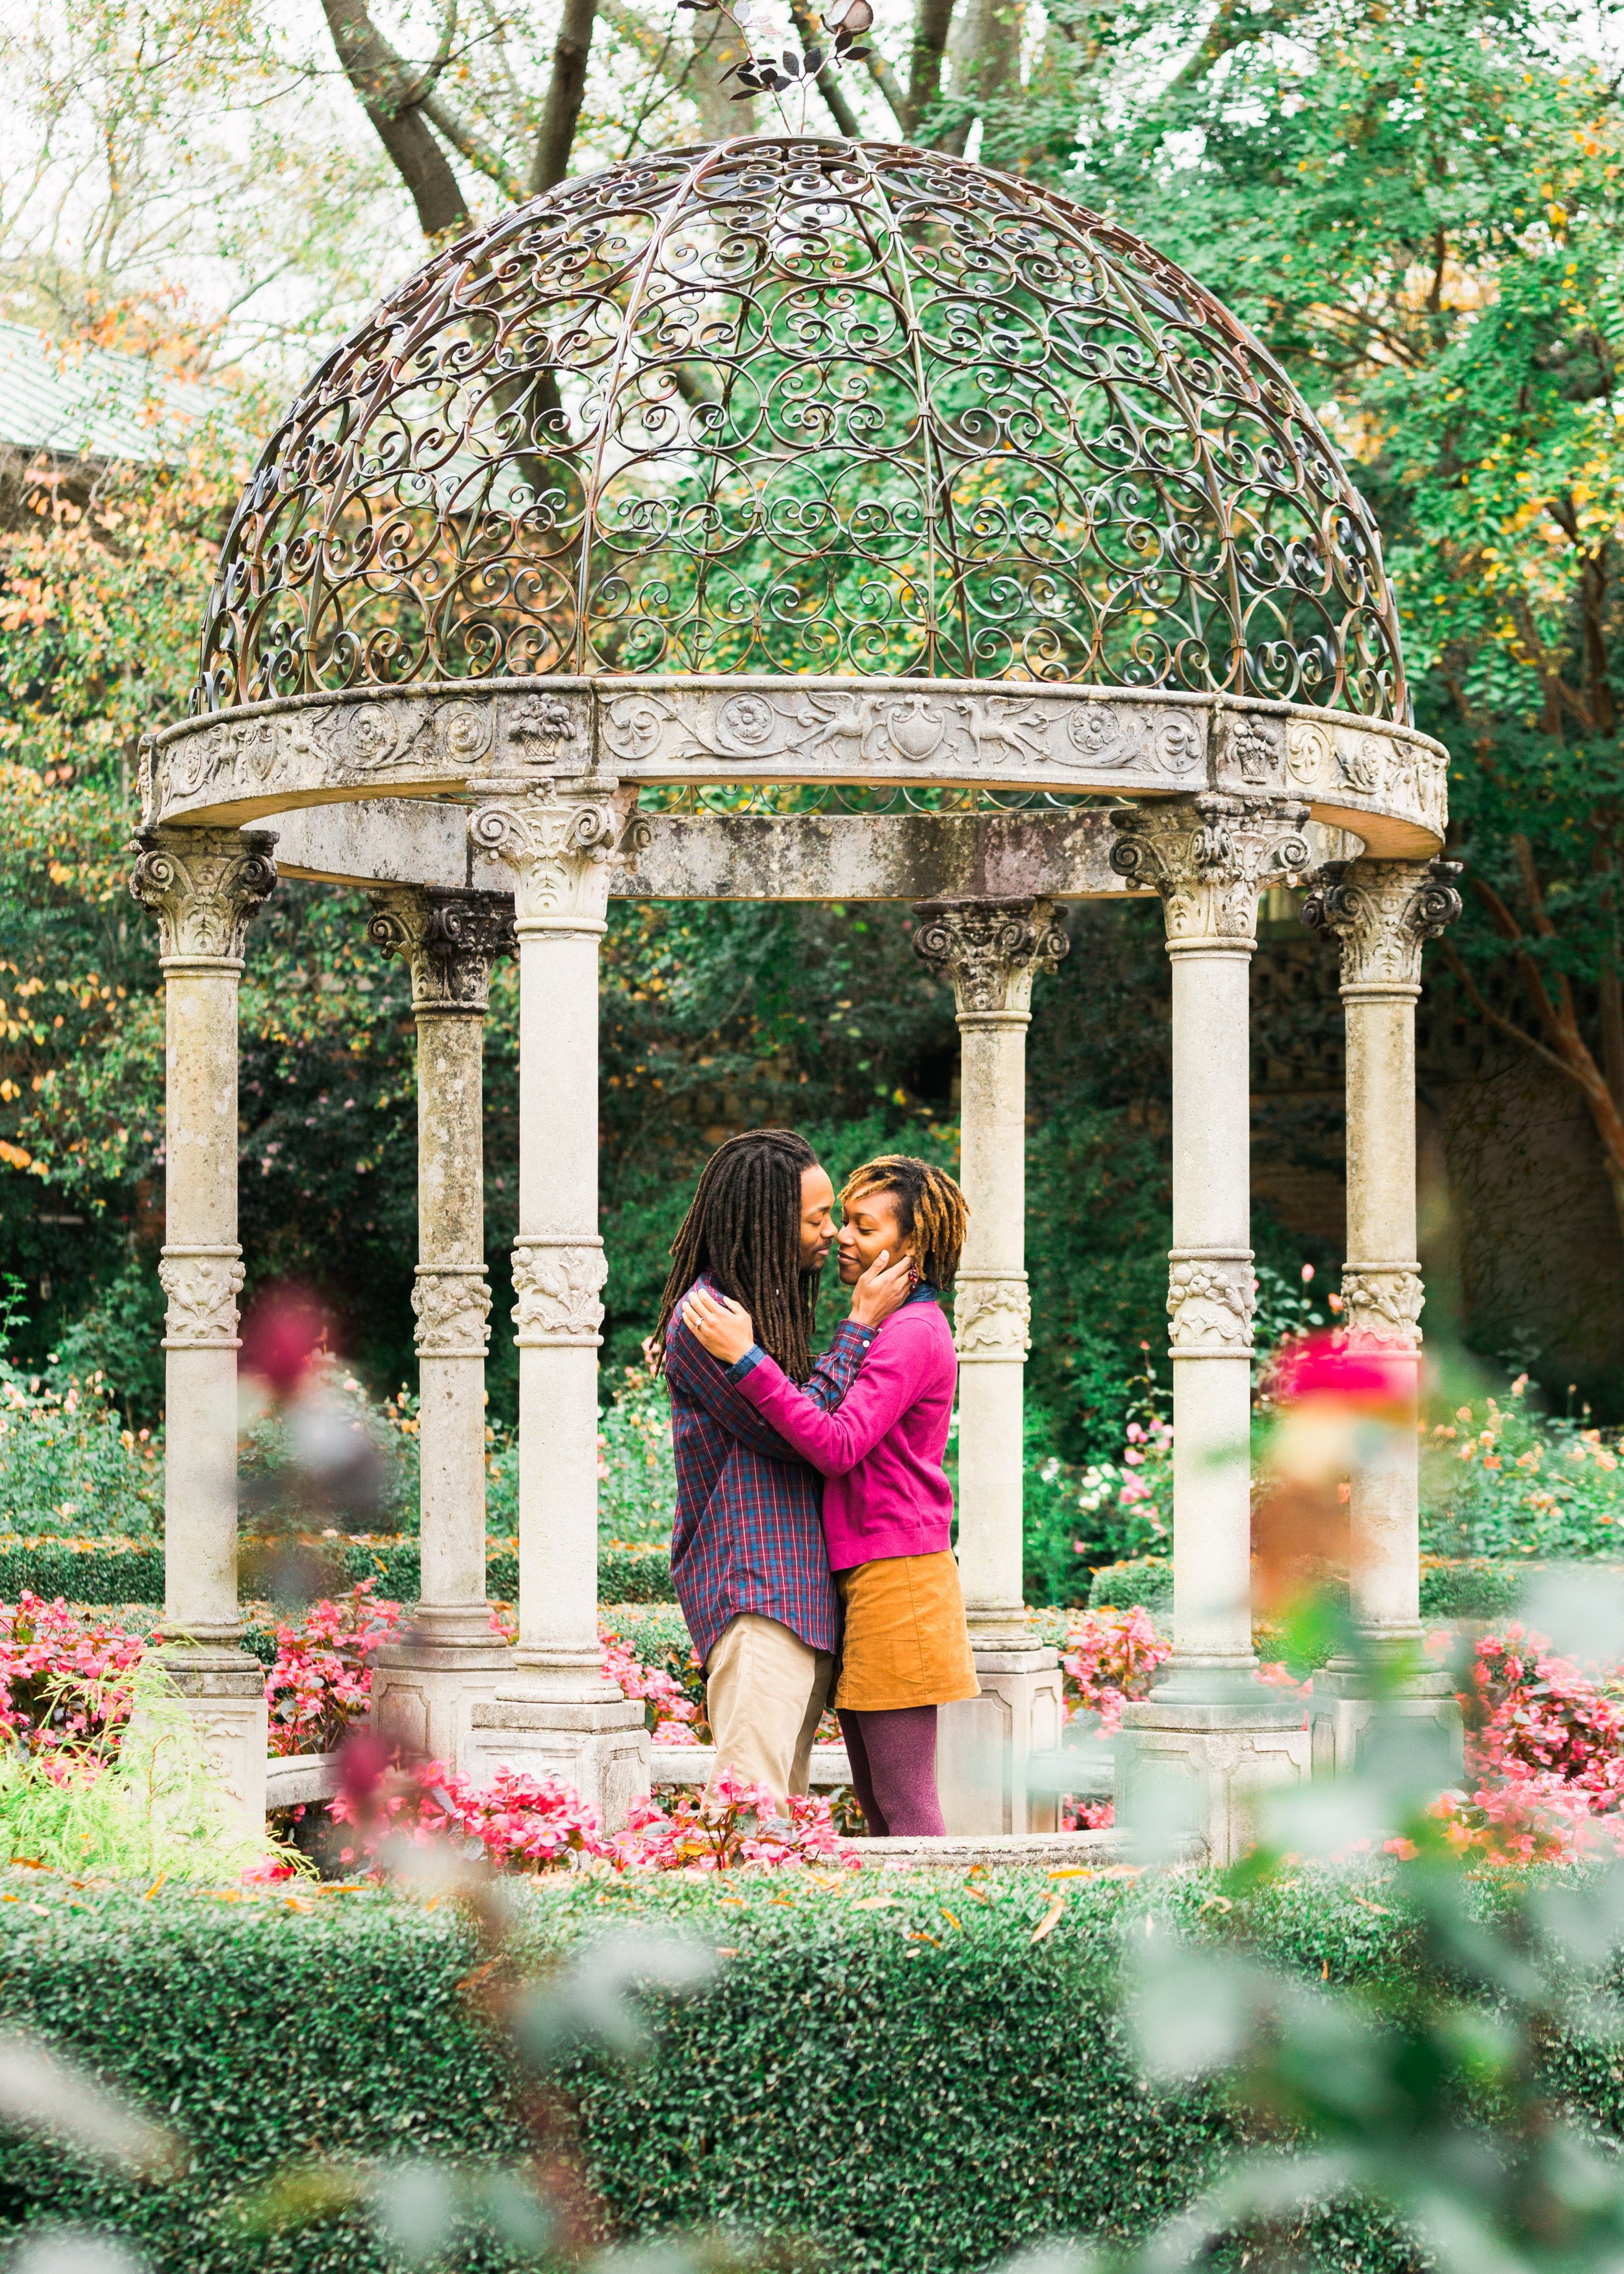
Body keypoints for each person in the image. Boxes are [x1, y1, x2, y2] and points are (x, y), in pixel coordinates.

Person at [683, 1154, 976, 1838]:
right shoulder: (888, 1327)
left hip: (899, 1578)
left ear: (911, 1247)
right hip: (870, 1576)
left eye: (864, 1226)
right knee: (876, 1800)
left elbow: (837, 1442)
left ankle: (941, 1937)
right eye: (840, 1220)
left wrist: (747, 1360)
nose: (843, 1236)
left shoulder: (910, 1334)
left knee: (902, 1802)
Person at [654, 1129, 912, 1804]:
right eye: (815, 1217)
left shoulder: (760, 1318)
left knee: (781, 1818)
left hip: (796, 1599)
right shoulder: (708, 1320)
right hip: (757, 1596)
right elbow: (804, 1431)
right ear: (768, 1220)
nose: (831, 1232)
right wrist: (858, 1325)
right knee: (748, 1816)